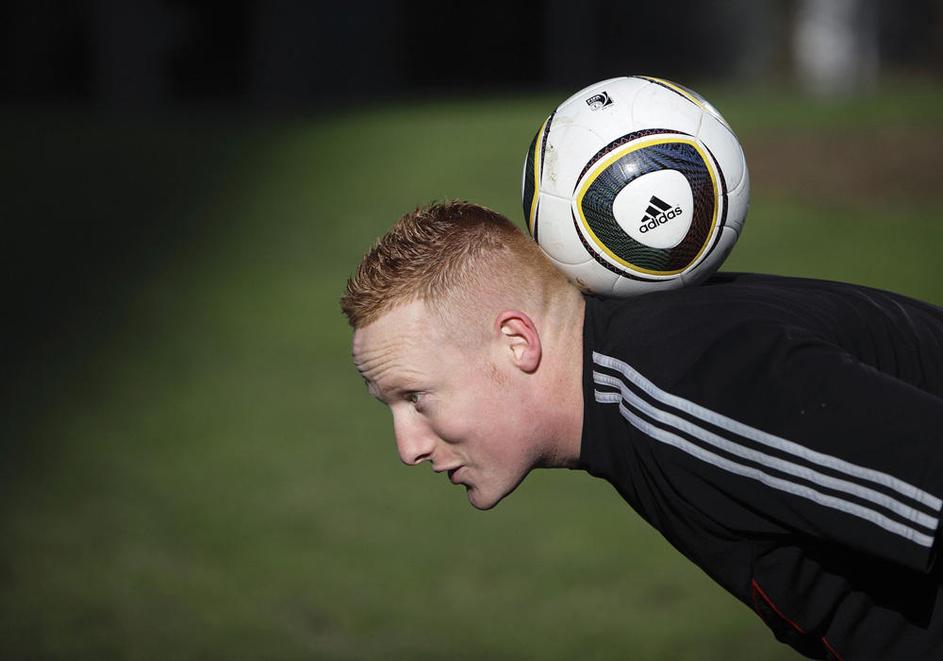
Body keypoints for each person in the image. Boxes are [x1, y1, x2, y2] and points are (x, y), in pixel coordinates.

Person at [340, 200, 943, 660]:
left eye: (416, 397)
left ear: (516, 342)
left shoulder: (683, 384)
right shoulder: (637, 374)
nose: (408, 446)